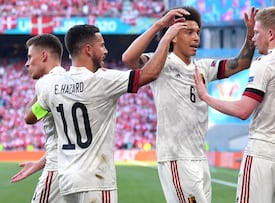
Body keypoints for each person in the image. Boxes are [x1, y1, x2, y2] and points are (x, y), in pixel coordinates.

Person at [33, 23, 185, 203]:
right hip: (95, 181)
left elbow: (33, 114)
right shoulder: (103, 80)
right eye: (102, 45)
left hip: (66, 181)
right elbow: (149, 74)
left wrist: (39, 96)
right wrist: (166, 37)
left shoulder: (52, 85)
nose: (105, 51)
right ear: (88, 49)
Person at [122, 6, 257, 203]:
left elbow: (241, 64)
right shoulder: (160, 64)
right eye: (189, 32)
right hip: (177, 157)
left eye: (198, 32)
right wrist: (160, 26)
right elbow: (128, 58)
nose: (196, 38)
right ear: (174, 36)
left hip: (199, 157)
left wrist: (250, 37)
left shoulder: (203, 67)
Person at [194, 7, 275, 203]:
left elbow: (243, 110)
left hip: (264, 153)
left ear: (271, 34)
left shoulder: (265, 63)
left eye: (256, 33)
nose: (253, 38)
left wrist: (206, 96)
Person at [11, 34, 66, 203]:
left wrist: (39, 91)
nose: (27, 63)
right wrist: (38, 163)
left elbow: (29, 118)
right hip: (78, 170)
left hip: (56, 170)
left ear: (43, 56)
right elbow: (63, 140)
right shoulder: (71, 80)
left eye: (29, 57)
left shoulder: (46, 83)